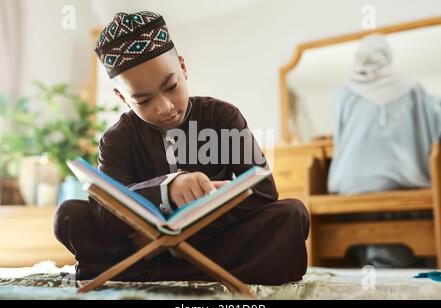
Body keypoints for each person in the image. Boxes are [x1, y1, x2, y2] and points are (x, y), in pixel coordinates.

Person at [53, 11, 310, 284]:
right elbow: (106, 215)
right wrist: (168, 188)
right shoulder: (116, 139)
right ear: (123, 98)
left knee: (293, 214)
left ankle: (141, 273)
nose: (164, 107)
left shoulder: (222, 116)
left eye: (171, 86)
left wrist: (183, 232)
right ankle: (213, 271)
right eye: (143, 100)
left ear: (183, 68)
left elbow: (263, 191)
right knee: (69, 215)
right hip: (140, 246)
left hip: (205, 242)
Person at [328, 34, 441, 268]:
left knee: (368, 187)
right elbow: (432, 125)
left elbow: (339, 139)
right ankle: (398, 259)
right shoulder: (411, 87)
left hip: (352, 181)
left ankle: (370, 258)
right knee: (404, 179)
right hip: (400, 176)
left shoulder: (342, 93)